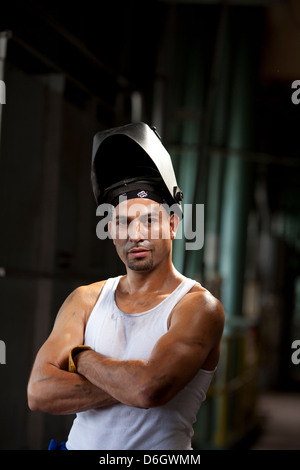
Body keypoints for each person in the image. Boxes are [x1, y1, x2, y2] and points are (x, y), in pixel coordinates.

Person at [27, 123, 225, 450]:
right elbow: (38, 391)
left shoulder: (197, 307)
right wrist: (127, 384)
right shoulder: (86, 299)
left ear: (173, 223)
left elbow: (149, 389)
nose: (135, 234)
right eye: (121, 222)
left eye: (148, 219)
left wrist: (80, 358)